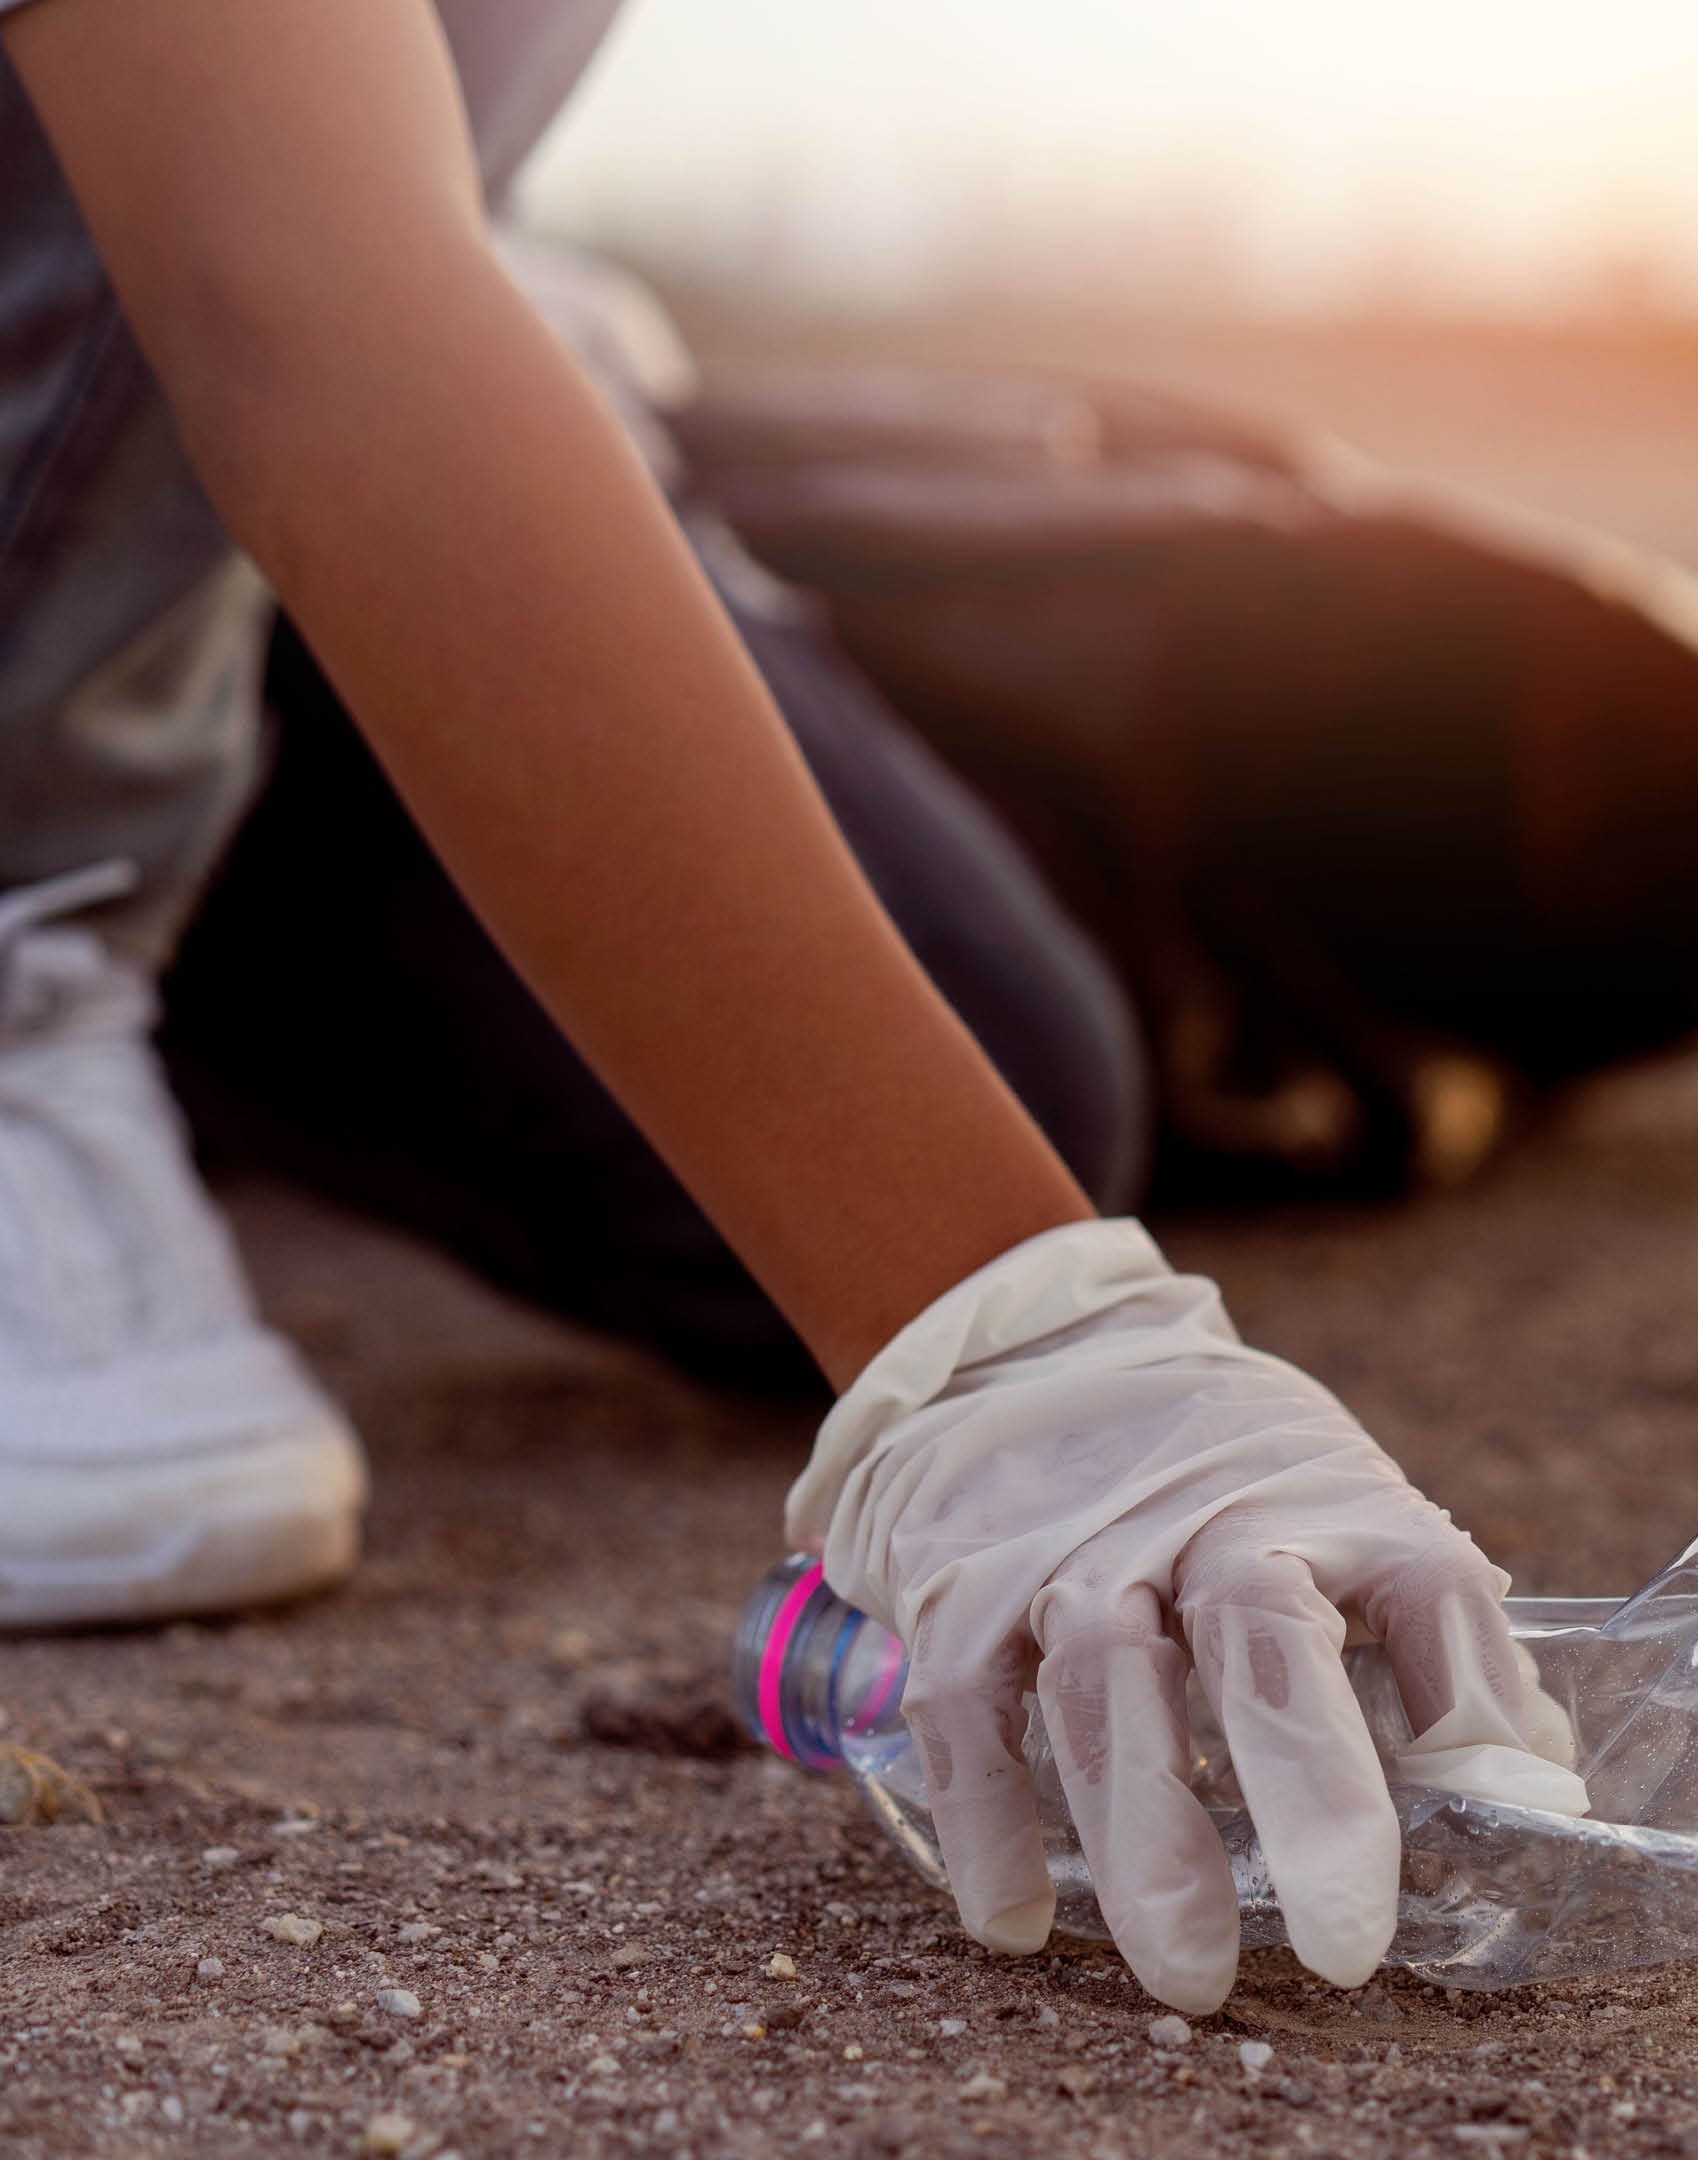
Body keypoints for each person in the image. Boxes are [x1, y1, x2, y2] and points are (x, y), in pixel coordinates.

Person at [0, 0, 1582, 2015]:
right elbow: (270, 279)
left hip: (210, 396)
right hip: (234, 301)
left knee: (980, 1068)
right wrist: (1014, 1342)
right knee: (896, 1187)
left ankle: (220, 715)